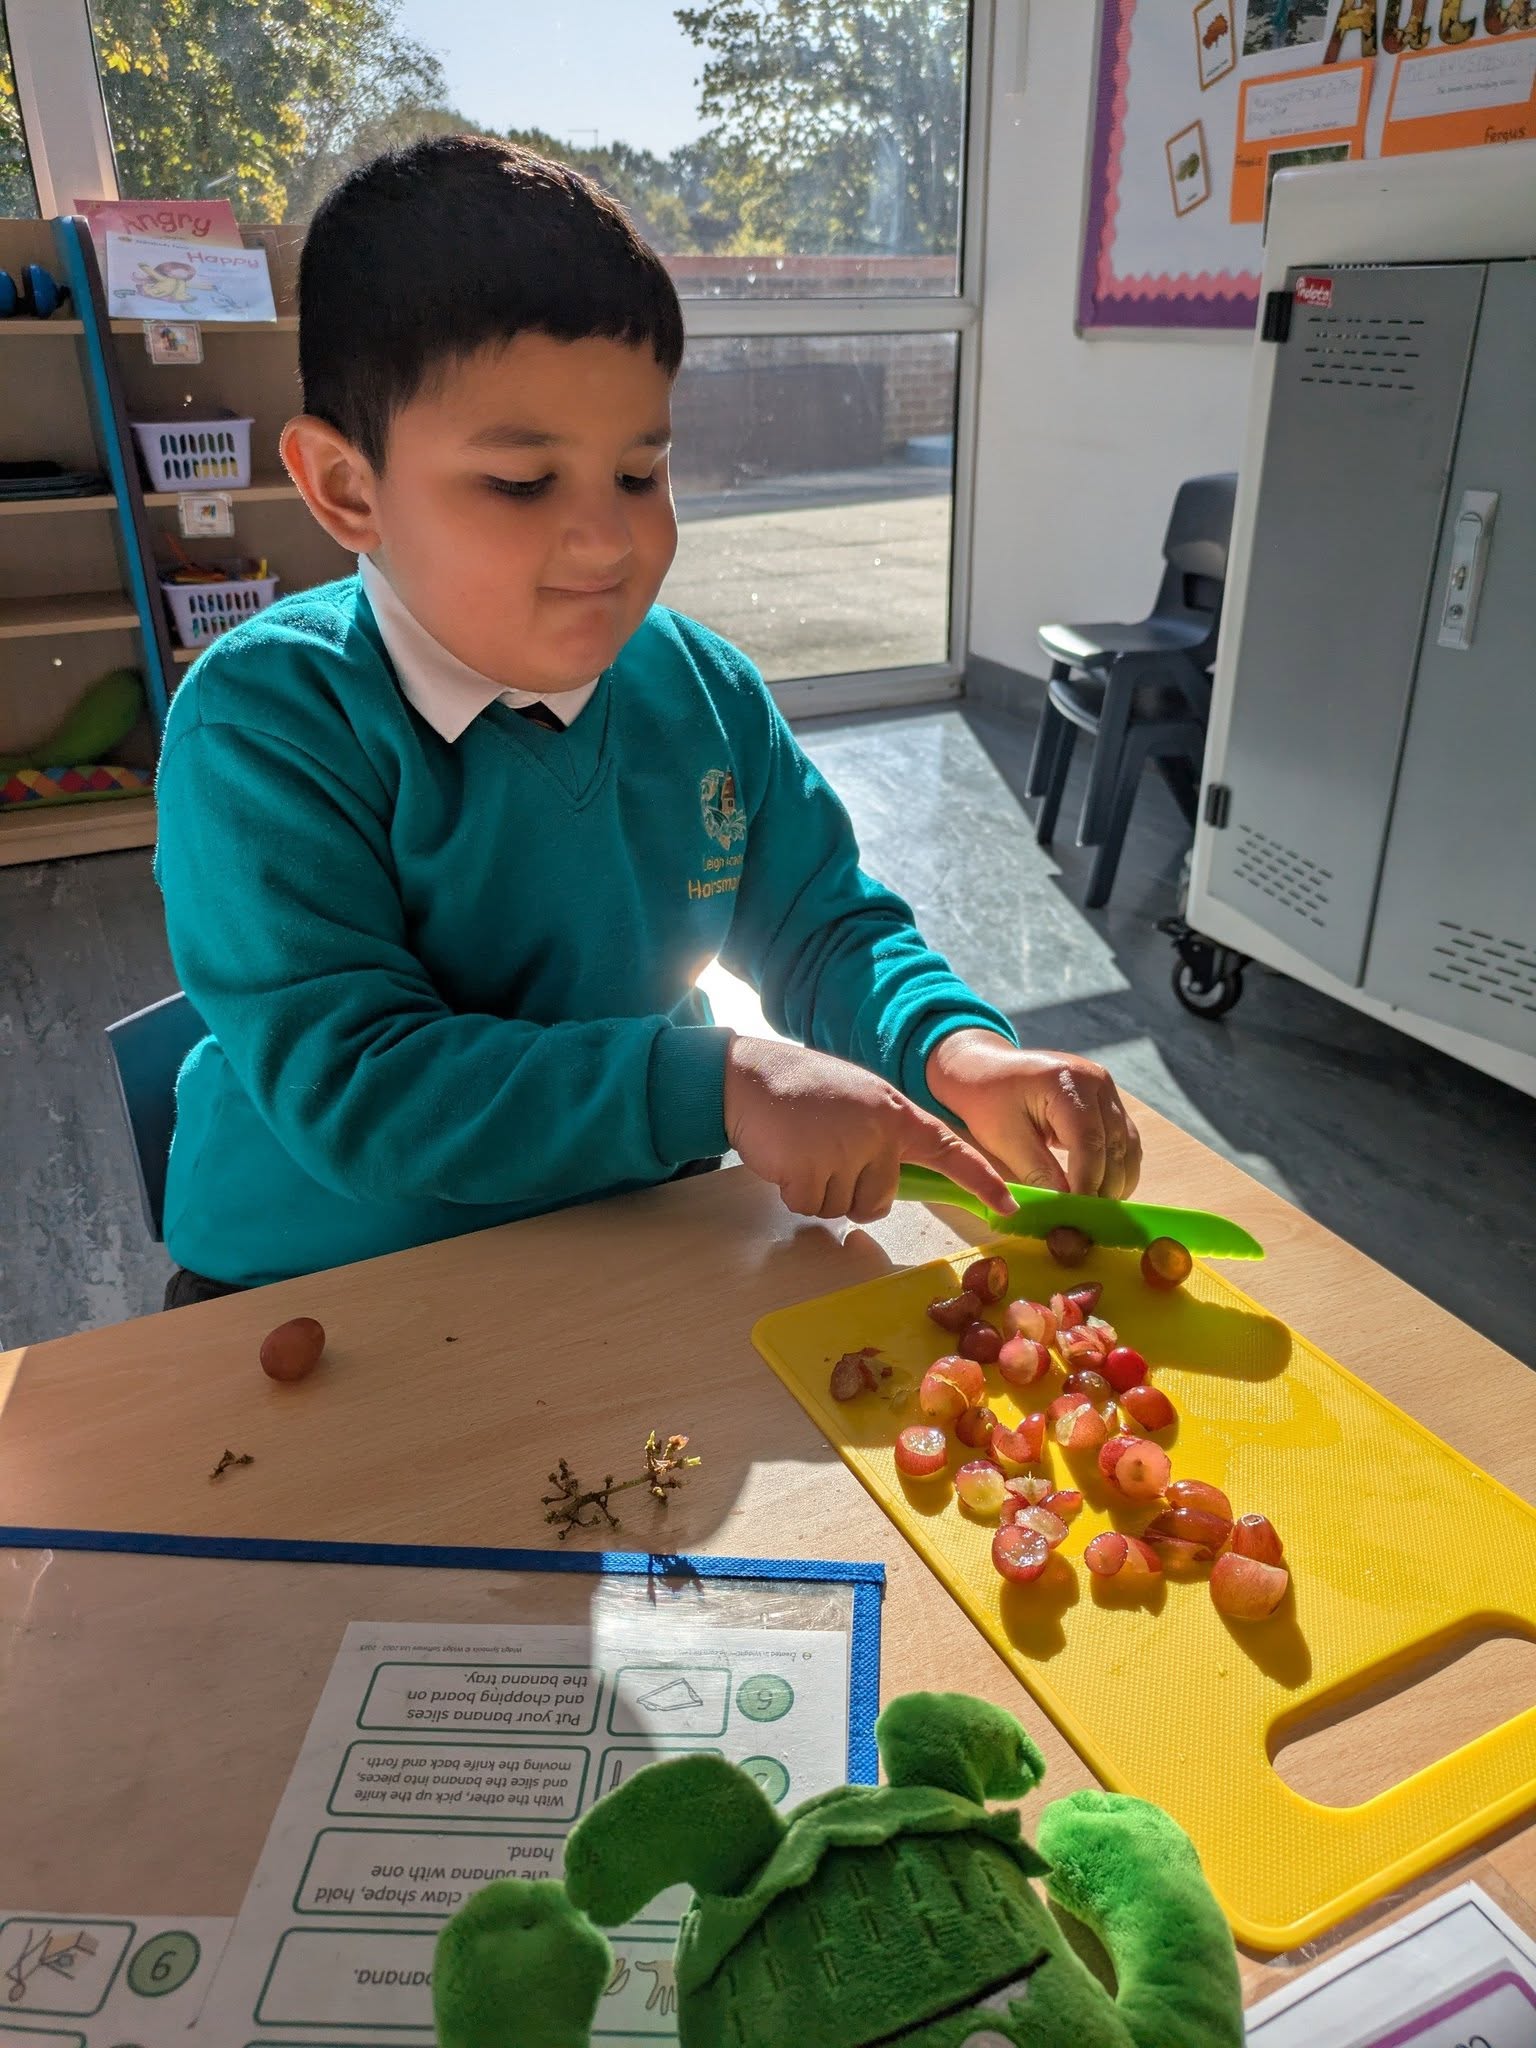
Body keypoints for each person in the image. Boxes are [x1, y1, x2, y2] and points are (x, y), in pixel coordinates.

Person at [153, 137, 1140, 1307]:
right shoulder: (265, 720)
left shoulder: (703, 691)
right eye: (522, 484)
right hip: (325, 1276)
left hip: (636, 1236)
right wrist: (721, 1083)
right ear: (346, 489)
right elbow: (364, 1082)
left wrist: (951, 1048)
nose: (610, 540)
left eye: (639, 471)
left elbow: (825, 927)